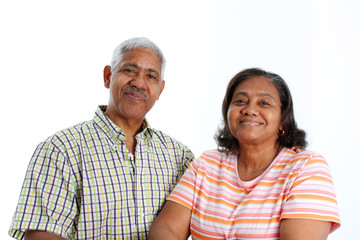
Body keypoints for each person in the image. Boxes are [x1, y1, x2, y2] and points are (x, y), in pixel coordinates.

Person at [9, 37, 194, 240]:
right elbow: (42, 236)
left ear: (160, 89)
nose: (139, 83)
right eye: (129, 70)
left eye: (151, 76)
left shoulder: (180, 157)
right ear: (108, 76)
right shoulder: (61, 149)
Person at [149, 68, 341, 239]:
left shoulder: (307, 168)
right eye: (240, 101)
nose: (249, 110)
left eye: (264, 103)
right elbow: (167, 228)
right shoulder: (207, 164)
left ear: (283, 119)